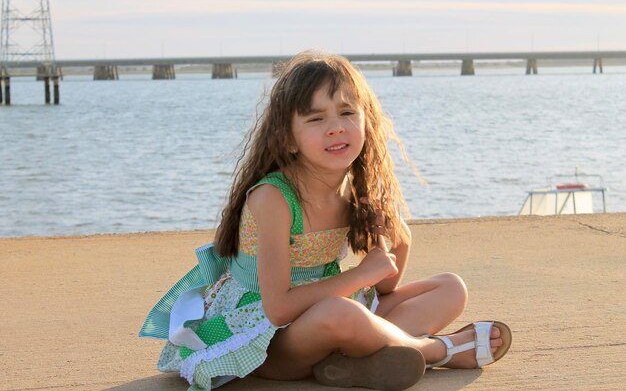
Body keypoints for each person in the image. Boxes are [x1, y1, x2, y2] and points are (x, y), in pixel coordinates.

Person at [139, 51, 512, 391]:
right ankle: (438, 351)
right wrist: (360, 276)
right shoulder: (273, 198)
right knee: (340, 313)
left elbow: (385, 288)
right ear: (288, 139)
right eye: (316, 118)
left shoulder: (353, 190)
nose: (335, 127)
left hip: (336, 316)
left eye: (347, 113)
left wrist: (398, 237)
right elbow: (279, 309)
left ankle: (353, 365)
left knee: (450, 287)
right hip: (267, 341)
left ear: (367, 120)